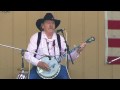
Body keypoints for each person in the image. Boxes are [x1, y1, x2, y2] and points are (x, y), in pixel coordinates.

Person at [24, 13, 86, 79]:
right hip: (39, 68)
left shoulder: (60, 38)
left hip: (56, 68)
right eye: (48, 23)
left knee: (65, 76)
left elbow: (68, 57)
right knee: (31, 77)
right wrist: (38, 63)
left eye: (53, 23)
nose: (51, 25)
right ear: (42, 26)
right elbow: (27, 55)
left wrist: (78, 51)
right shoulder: (36, 37)